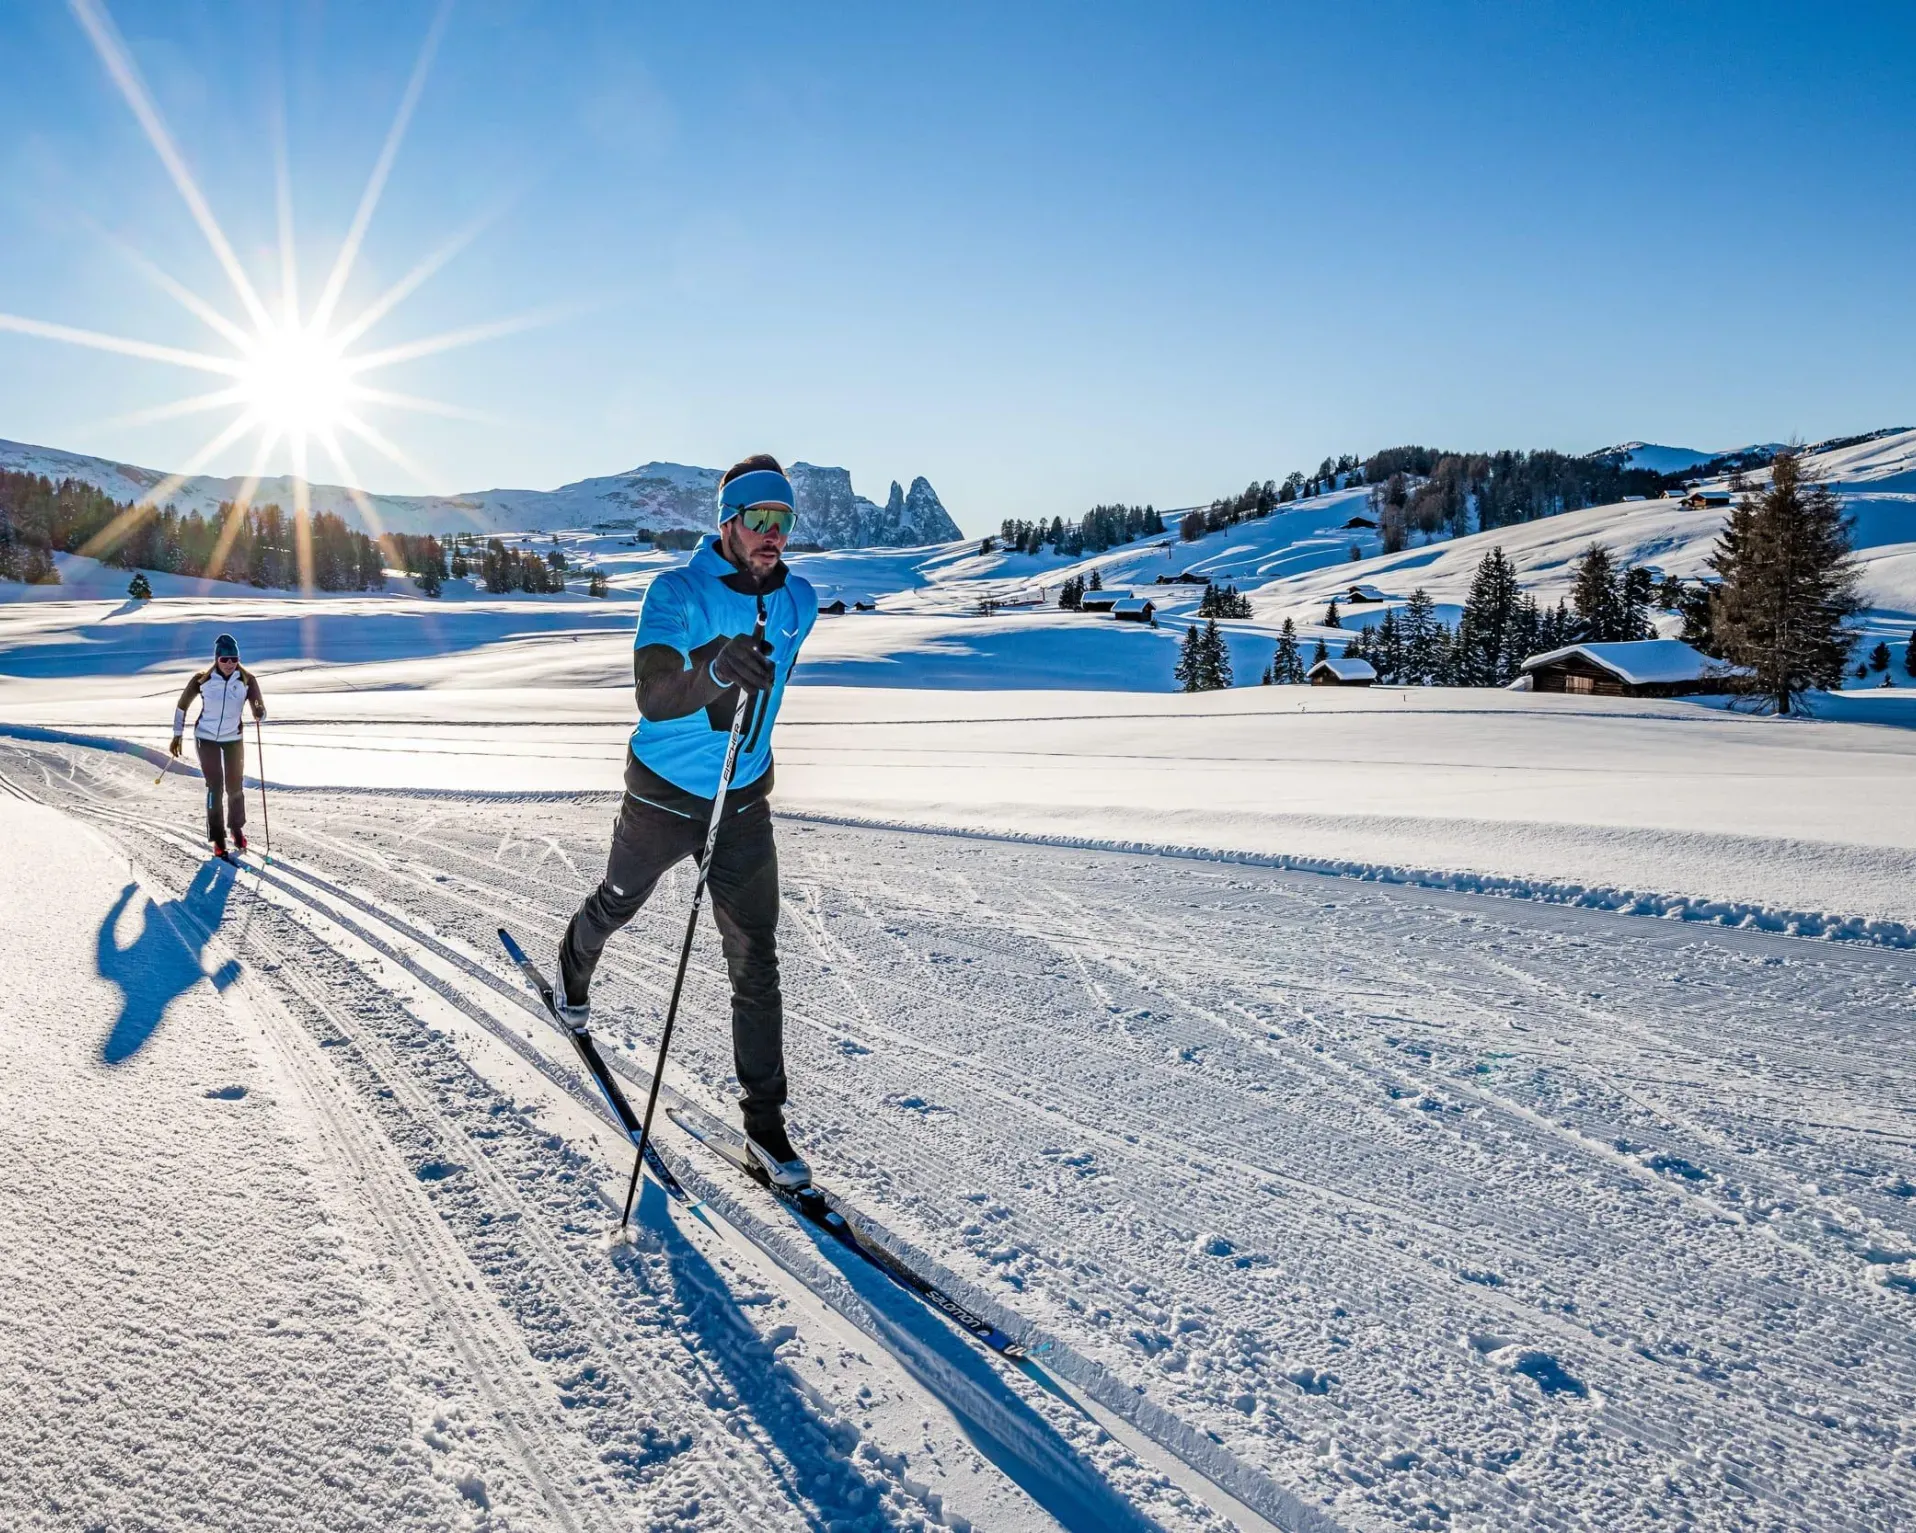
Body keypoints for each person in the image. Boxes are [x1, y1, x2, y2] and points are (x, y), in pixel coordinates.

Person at [559, 454, 820, 1188]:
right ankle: (571, 971)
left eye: (783, 522)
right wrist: (714, 668)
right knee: (618, 901)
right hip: (664, 795)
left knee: (755, 957)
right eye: (759, 520)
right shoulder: (674, 591)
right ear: (727, 522)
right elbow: (654, 693)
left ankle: (766, 1130)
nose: (772, 535)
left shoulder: (800, 600)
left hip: (741, 802)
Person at [171, 633, 265, 857]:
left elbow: (259, 707)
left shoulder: (247, 680)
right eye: (225, 659)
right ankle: (218, 838)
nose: (230, 664)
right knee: (215, 787)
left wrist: (259, 712)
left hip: (233, 739)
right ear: (216, 659)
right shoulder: (202, 680)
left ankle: (236, 828)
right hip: (206, 738)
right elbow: (182, 706)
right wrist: (177, 734)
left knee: (235, 787)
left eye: (234, 659)